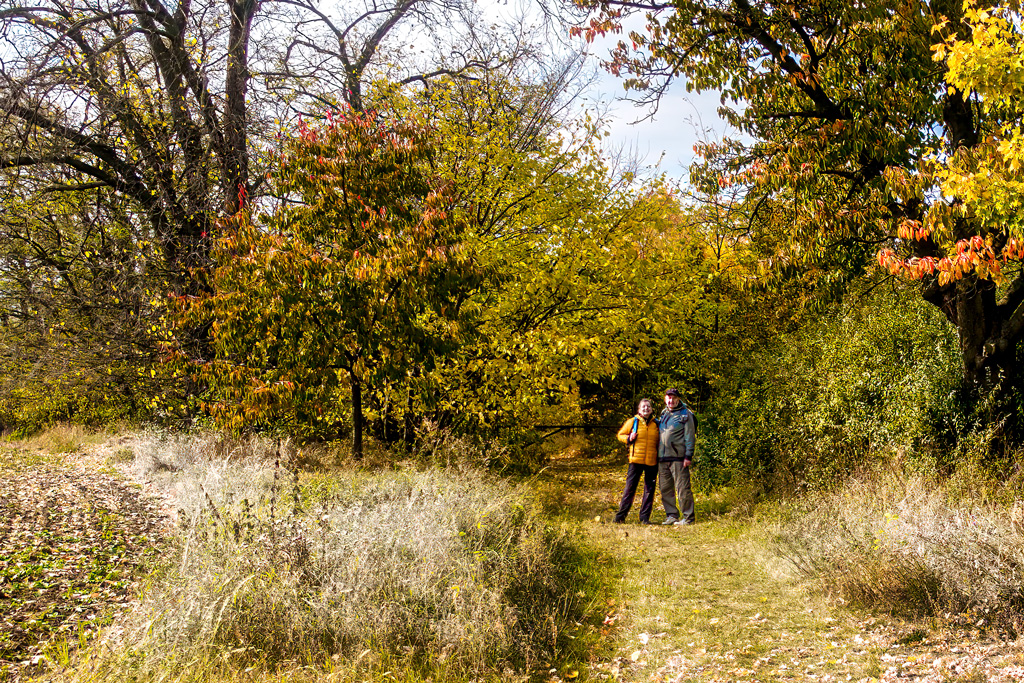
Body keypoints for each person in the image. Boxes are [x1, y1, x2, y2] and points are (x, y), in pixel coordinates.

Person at [613, 398, 660, 524]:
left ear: (651, 409)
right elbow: (620, 435)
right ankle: (620, 517)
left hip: (651, 461)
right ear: (639, 409)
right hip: (635, 460)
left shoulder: (657, 423)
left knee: (649, 490)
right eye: (643, 407)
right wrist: (629, 438)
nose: (646, 409)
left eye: (648, 407)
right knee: (630, 489)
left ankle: (644, 518)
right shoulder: (633, 421)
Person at [658, 388, 697, 525]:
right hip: (663, 459)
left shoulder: (686, 415)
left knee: (683, 489)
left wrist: (688, 456)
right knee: (665, 489)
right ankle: (671, 515)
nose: (671, 400)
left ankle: (688, 517)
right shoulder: (664, 413)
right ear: (665, 399)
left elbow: (690, 437)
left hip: (678, 458)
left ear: (678, 399)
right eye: (668, 397)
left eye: (674, 398)